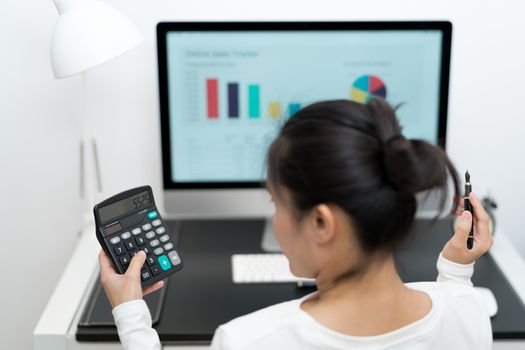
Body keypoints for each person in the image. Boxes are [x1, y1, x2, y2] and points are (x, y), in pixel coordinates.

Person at [99, 98, 493, 350]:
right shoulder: (469, 310)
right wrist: (455, 270)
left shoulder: (250, 341)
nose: (274, 217)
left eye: (276, 201)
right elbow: (447, 317)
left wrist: (131, 314)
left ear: (321, 223)